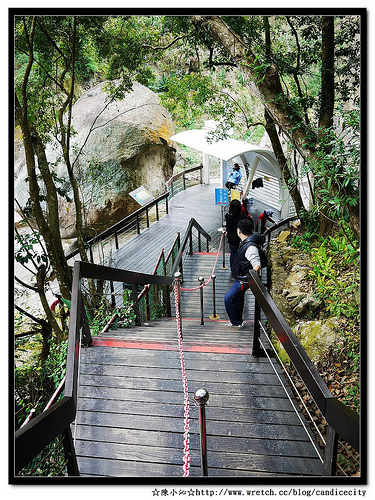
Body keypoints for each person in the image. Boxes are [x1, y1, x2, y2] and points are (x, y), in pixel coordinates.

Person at [224, 218, 263, 328]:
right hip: (241, 277)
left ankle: (235, 322)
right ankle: (238, 321)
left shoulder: (250, 247)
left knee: (229, 299)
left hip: (242, 280)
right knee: (238, 299)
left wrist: (249, 278)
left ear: (239, 231)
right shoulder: (248, 241)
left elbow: (257, 264)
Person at [225, 199, 247, 271]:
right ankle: (240, 268)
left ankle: (233, 269)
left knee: (233, 253)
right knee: (242, 253)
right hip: (241, 237)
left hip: (232, 237)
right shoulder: (242, 217)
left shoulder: (227, 217)